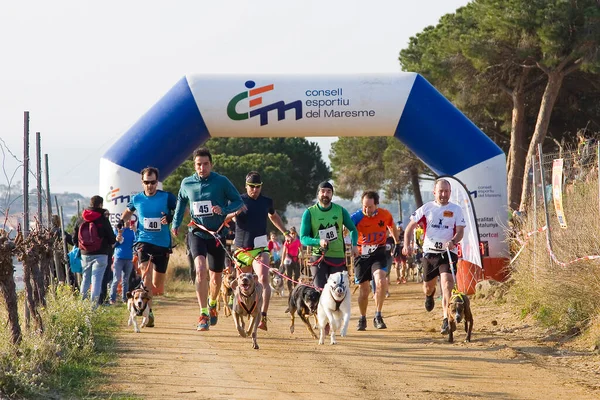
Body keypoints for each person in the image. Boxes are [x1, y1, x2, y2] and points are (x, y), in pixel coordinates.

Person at [171, 147, 244, 332]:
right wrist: (175, 223)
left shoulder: (221, 182)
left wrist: (224, 210)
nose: (202, 168)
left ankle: (212, 303)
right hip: (196, 231)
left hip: (217, 234)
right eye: (198, 164)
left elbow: (238, 202)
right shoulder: (187, 183)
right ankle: (203, 313)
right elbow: (180, 203)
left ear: (211, 164)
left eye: (205, 164)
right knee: (200, 269)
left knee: (216, 277)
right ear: (194, 165)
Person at [226, 171, 290, 331]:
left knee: (263, 278)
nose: (254, 190)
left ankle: (263, 316)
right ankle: (241, 309)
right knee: (242, 284)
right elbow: (225, 218)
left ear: (261, 187)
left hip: (260, 249)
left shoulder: (266, 201)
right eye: (251, 187)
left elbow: (273, 216)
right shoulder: (238, 200)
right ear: (246, 186)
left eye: (257, 187)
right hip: (241, 250)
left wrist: (285, 232)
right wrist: (235, 212)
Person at [403, 178, 466, 336]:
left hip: (447, 253)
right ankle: (429, 296)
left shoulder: (456, 209)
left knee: (446, 284)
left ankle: (446, 319)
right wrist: (407, 244)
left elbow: (460, 231)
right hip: (430, 253)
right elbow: (409, 228)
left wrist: (453, 241)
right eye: (441, 191)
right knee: (428, 286)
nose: (444, 194)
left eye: (447, 191)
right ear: (434, 192)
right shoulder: (426, 208)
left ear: (450, 192)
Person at [119, 166, 177, 327]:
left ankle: (148, 306)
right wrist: (121, 222)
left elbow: (183, 210)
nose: (150, 186)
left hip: (163, 244)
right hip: (143, 241)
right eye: (146, 182)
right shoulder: (137, 199)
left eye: (153, 182)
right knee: (145, 278)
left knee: (157, 286)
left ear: (157, 182)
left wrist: (171, 217)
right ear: (142, 182)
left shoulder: (167, 197)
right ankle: (148, 312)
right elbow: (127, 212)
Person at [351, 191, 400, 330]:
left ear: (376, 205)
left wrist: (397, 242)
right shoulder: (357, 216)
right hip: (361, 255)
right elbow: (346, 229)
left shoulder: (385, 215)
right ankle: (362, 318)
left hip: (378, 253)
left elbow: (392, 226)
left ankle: (378, 315)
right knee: (364, 290)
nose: (367, 210)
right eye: (364, 206)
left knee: (381, 281)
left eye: (370, 207)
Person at [299, 181, 358, 289]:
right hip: (318, 257)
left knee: (338, 292)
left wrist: (354, 245)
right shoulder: (309, 212)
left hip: (338, 257)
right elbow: (303, 238)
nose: (325, 194)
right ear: (318, 194)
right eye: (323, 191)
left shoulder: (340, 211)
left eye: (328, 192)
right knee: (320, 292)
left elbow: (353, 229)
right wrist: (319, 242)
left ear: (332, 194)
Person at [73, 195, 116, 305]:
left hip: (85, 253)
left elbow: (74, 239)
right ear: (101, 204)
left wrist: (82, 247)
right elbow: (112, 238)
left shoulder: (81, 219)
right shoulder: (102, 219)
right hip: (101, 254)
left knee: (85, 279)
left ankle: (82, 306)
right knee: (97, 280)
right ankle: (94, 306)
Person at [109, 219, 137, 304]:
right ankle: (112, 298)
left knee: (126, 280)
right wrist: (118, 236)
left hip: (129, 258)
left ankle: (125, 298)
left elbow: (136, 241)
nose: (128, 222)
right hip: (118, 258)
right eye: (127, 220)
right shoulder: (117, 230)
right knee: (116, 279)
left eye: (130, 220)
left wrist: (135, 231)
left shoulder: (132, 231)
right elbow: (114, 243)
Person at [280, 226, 302, 293]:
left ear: (295, 233)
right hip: (288, 259)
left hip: (295, 259)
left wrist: (301, 255)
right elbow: (283, 252)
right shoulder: (287, 242)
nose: (292, 235)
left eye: (293, 233)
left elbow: (301, 250)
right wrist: (282, 262)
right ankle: (290, 291)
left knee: (297, 275)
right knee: (289, 276)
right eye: (291, 233)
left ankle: (295, 289)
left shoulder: (298, 241)